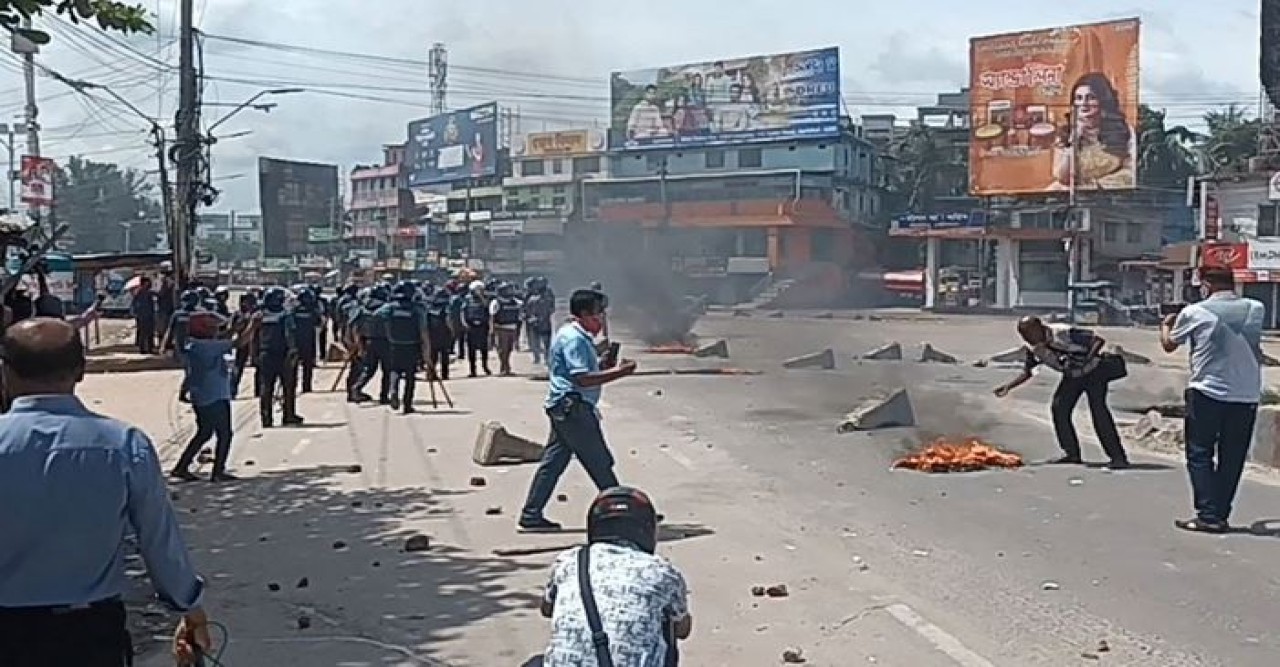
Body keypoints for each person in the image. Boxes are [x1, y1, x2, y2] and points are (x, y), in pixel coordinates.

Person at [0, 318, 212, 666]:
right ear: (81, 371)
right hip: (90, 635)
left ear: (5, 372)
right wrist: (190, 608)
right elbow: (158, 540)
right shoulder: (123, 445)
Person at [519, 289, 638, 532]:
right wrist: (621, 372)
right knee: (599, 462)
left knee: (553, 464)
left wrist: (604, 364)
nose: (600, 319)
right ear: (583, 314)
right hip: (573, 408)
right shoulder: (574, 338)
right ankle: (624, 513)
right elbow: (582, 379)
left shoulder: (575, 336)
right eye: (597, 314)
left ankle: (531, 513)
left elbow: (585, 371)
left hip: (564, 407)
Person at [1160, 267, 1266, 533]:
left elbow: (1169, 344)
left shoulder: (1195, 312)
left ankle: (1208, 515)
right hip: (1246, 393)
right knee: (1233, 456)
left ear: (1206, 285)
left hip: (1207, 391)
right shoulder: (1256, 308)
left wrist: (1165, 325)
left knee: (1200, 452)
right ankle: (1219, 513)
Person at [540, 486, 691, 666]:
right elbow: (683, 629)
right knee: (667, 627)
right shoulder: (663, 572)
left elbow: (546, 609)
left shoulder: (569, 561)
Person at [993, 315, 1130, 469]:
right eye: (1022, 335)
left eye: (1028, 333)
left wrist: (1084, 360)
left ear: (1039, 328)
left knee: (1098, 411)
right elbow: (1028, 372)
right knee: (1059, 409)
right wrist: (1008, 387)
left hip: (1093, 372)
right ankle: (1072, 453)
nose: (1026, 338)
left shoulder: (1062, 332)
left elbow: (1097, 340)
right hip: (1072, 377)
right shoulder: (1035, 349)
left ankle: (1118, 457)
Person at [170, 311, 237, 483]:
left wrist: (237, 326)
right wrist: (253, 326)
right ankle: (218, 471)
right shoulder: (207, 347)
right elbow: (237, 342)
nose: (216, 331)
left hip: (201, 396)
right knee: (225, 434)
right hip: (215, 397)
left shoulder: (194, 345)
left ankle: (181, 467)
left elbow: (223, 339)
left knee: (204, 432)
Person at [1052, 72, 1134, 190]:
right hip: (1068, 196)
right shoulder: (1066, 133)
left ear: (1103, 101)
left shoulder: (1123, 130)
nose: (1084, 104)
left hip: (1108, 194)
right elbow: (1063, 178)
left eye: (1091, 98)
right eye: (1079, 98)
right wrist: (1074, 141)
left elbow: (1130, 173)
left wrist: (1094, 187)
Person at [252, 287, 303, 428]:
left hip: (265, 354)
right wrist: (293, 353)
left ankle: (266, 418)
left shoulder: (259, 316)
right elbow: (290, 336)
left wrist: (254, 355)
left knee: (266, 387)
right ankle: (288, 415)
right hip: (283, 355)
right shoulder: (286, 316)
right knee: (288, 386)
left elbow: (253, 337)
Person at [377, 282, 429, 413]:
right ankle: (407, 404)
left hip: (393, 344)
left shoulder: (389, 308)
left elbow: (376, 316)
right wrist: (426, 350)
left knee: (394, 370)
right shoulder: (418, 309)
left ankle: (393, 391)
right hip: (412, 345)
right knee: (410, 375)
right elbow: (423, 331)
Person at [350, 284, 392, 403]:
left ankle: (357, 388)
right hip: (385, 341)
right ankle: (384, 396)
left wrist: (358, 345)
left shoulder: (362, 308)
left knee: (368, 369)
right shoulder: (386, 308)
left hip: (368, 341)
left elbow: (355, 327)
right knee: (387, 370)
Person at [291, 286, 322, 394]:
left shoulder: (293, 310)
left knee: (293, 367)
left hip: (295, 342)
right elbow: (319, 323)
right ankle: (306, 387)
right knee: (308, 366)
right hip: (309, 341)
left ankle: (292, 386)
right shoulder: (313, 310)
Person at [491, 282, 523, 376]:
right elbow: (492, 317)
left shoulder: (516, 302)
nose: (509, 292)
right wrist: (492, 331)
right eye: (507, 290)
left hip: (512, 328)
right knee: (502, 350)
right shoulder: (496, 302)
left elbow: (520, 317)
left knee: (509, 350)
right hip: (501, 329)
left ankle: (506, 367)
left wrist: (518, 332)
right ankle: (504, 368)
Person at [230, 291, 258, 398]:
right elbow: (232, 328)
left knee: (260, 369)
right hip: (243, 344)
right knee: (237, 368)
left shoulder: (257, 313)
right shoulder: (238, 314)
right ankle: (232, 390)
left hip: (256, 344)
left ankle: (259, 392)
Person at [463, 280, 493, 377]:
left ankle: (485, 367)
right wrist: (465, 323)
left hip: (483, 326)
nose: (478, 291)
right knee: (471, 350)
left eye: (480, 289)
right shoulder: (467, 299)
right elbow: (463, 312)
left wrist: (481, 297)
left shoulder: (485, 298)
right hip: (471, 326)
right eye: (476, 289)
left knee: (484, 349)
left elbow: (487, 308)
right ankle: (473, 370)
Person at [524, 277, 557, 365]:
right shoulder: (532, 298)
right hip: (538, 323)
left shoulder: (547, 297)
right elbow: (528, 311)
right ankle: (538, 358)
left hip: (544, 323)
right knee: (537, 341)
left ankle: (544, 358)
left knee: (545, 342)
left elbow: (552, 309)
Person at [425, 287, 454, 381]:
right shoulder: (446, 307)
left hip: (432, 334)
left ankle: (431, 374)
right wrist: (452, 330)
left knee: (433, 355)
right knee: (444, 355)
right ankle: (444, 374)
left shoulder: (429, 307)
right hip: (443, 334)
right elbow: (448, 320)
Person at [131, 275, 158, 354]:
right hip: (145, 315)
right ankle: (147, 348)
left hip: (143, 314)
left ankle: (144, 348)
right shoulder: (146, 292)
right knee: (147, 332)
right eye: (148, 282)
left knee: (144, 332)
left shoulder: (139, 292)